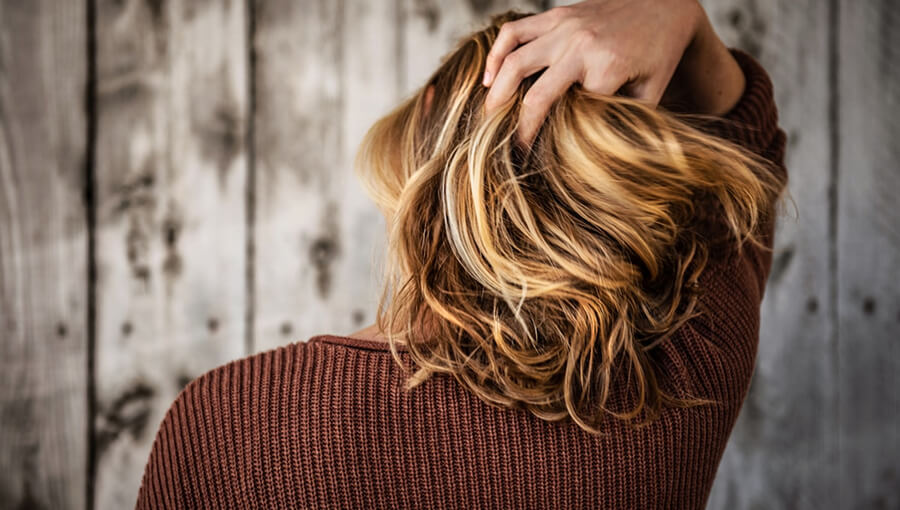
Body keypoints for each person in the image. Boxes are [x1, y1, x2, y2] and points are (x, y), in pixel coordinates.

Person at [135, 1, 788, 508]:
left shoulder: (224, 424)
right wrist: (678, 16)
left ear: (423, 138)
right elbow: (747, 152)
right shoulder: (683, 373)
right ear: (616, 179)